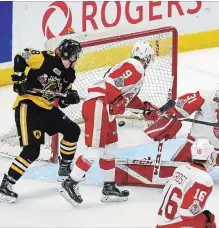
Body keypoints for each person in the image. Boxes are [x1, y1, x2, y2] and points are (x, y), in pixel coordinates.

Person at [58, 41, 161, 206]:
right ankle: (70, 183)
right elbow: (113, 84)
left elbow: (127, 96)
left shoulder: (133, 68)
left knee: (110, 148)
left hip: (107, 108)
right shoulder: (135, 66)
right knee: (96, 149)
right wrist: (113, 100)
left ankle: (109, 187)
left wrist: (144, 108)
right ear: (147, 57)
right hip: (100, 104)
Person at [0, 39, 83, 203]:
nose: (77, 58)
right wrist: (19, 80)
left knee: (73, 131)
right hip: (28, 106)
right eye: (75, 55)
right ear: (67, 55)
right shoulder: (44, 59)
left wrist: (70, 98)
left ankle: (64, 169)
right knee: (31, 151)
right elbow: (21, 57)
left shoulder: (70, 74)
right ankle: (6, 186)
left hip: (46, 108)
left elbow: (62, 99)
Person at [156, 139, 216, 228]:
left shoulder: (180, 169)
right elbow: (188, 213)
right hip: (174, 225)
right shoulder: (204, 179)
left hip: (161, 223)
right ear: (209, 156)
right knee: (208, 220)